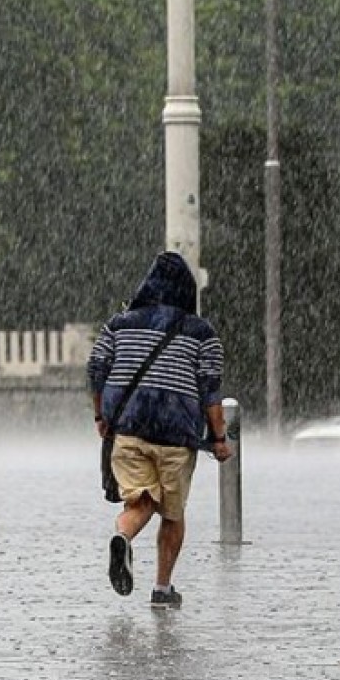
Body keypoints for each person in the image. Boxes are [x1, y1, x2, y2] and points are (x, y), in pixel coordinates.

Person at [87, 251, 233, 607]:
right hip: (176, 436)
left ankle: (123, 536)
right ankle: (162, 589)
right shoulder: (202, 333)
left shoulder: (118, 325)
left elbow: (96, 371)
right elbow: (210, 391)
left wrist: (101, 417)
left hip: (129, 430)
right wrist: (219, 439)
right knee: (172, 513)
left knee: (140, 501)